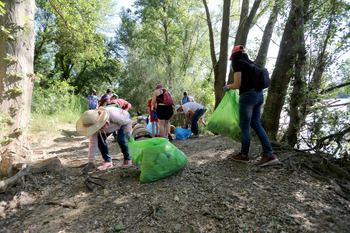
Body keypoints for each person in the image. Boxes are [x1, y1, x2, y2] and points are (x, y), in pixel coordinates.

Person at [223, 45, 279, 167]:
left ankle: (244, 155)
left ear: (234, 56)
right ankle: (268, 154)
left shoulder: (238, 64)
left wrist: (228, 87)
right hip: (259, 96)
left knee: (244, 126)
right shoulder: (251, 64)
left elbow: (237, 84)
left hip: (248, 96)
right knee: (256, 124)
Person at [76, 107, 133, 174]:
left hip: (123, 122)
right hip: (107, 128)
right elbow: (93, 143)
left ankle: (127, 159)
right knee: (100, 140)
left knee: (121, 139)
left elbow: (128, 121)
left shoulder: (113, 115)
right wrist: (90, 162)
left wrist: (128, 132)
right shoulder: (92, 121)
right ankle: (108, 161)